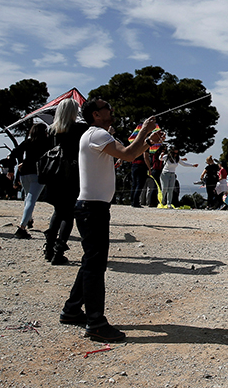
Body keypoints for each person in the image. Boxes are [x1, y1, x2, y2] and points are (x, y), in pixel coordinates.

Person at [59, 98, 164, 343]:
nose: (111, 111)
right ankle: (96, 323)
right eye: (107, 108)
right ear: (96, 114)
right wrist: (146, 130)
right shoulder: (96, 135)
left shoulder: (97, 136)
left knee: (91, 262)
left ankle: (72, 310)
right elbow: (128, 154)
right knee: (95, 266)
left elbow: (132, 152)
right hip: (91, 209)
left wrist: (147, 141)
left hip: (93, 208)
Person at [43, 98, 89, 266]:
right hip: (72, 175)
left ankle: (48, 248)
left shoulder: (52, 130)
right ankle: (59, 251)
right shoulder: (79, 129)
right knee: (68, 214)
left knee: (57, 212)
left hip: (53, 175)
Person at [7, 124, 50, 238]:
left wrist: (11, 169)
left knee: (27, 196)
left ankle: (29, 219)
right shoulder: (48, 142)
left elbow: (13, 153)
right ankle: (22, 227)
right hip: (38, 173)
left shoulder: (28, 142)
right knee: (31, 198)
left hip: (24, 172)